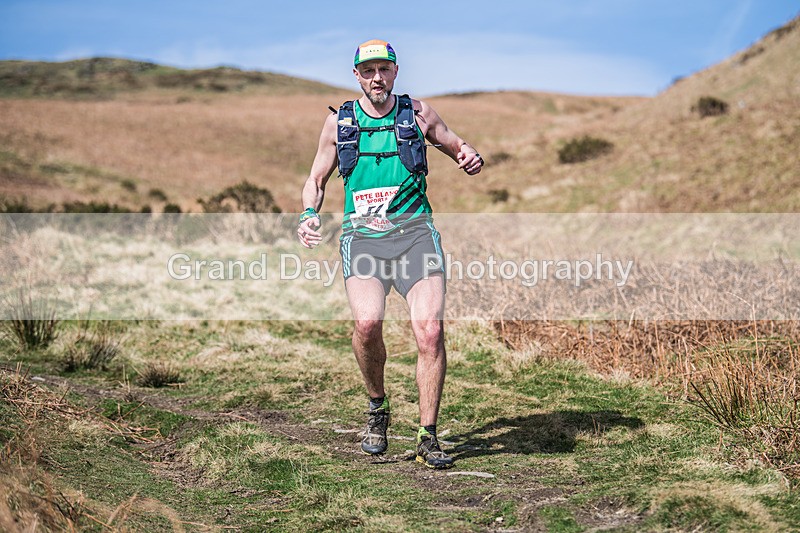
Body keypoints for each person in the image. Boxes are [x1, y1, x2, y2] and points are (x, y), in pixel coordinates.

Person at [297, 39, 483, 469]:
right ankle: (378, 409)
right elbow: (316, 179)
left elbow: (456, 145)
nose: (377, 78)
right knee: (366, 325)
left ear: (395, 72)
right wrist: (309, 213)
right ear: (356, 75)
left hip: (416, 237)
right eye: (369, 71)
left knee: (430, 333)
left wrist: (469, 156)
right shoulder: (339, 123)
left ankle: (427, 435)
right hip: (363, 240)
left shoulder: (418, 114)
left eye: (384, 69)